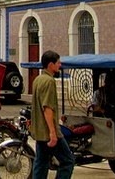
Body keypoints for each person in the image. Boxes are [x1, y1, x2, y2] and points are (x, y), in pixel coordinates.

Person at [31, 50, 74, 179]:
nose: (60, 65)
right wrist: (53, 132)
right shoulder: (49, 81)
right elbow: (47, 108)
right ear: (51, 64)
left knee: (41, 162)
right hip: (48, 131)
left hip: (39, 131)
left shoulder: (38, 80)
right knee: (68, 161)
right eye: (58, 62)